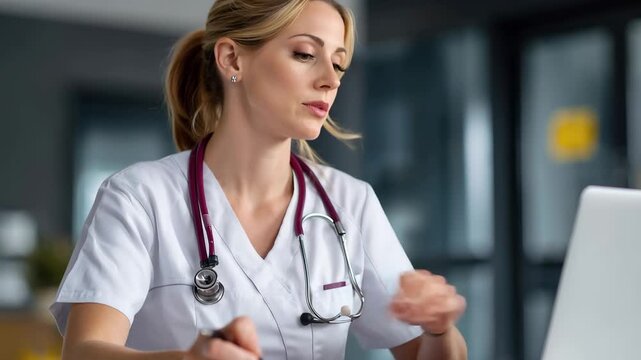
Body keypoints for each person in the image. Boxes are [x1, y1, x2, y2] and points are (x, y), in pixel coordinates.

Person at [50, 0, 468, 359]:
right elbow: (84, 350)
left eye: (339, 63)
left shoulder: (350, 203)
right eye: (306, 54)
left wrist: (438, 329)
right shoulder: (139, 198)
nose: (331, 79)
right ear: (232, 59)